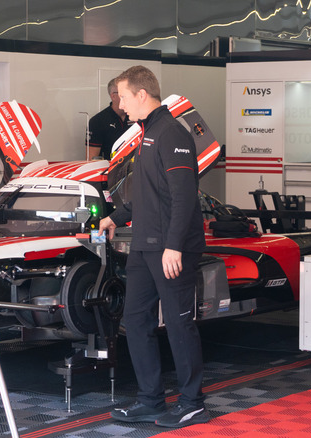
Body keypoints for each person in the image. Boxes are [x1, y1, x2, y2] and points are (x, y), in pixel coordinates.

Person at [98, 65, 208, 428]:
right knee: (135, 320)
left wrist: (174, 246)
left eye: (124, 97)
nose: (121, 105)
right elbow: (147, 194)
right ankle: (151, 400)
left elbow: (183, 196)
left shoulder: (171, 132)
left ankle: (192, 402)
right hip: (145, 247)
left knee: (179, 325)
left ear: (142, 95)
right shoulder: (144, 134)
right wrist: (116, 216)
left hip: (170, 249)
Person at [87, 77, 130, 160]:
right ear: (113, 96)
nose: (129, 97)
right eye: (124, 94)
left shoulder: (137, 117)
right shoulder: (97, 121)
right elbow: (91, 160)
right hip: (109, 169)